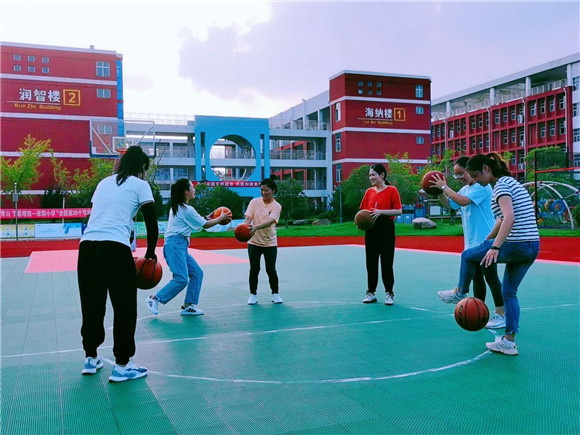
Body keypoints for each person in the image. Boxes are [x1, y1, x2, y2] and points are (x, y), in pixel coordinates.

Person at [437, 153, 540, 355]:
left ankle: (460, 292)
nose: (475, 180)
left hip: (516, 243)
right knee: (509, 292)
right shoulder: (511, 182)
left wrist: (495, 247)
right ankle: (509, 342)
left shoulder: (500, 186)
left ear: (486, 169)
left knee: (468, 256)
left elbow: (509, 218)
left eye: (476, 175)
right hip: (531, 245)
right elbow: (501, 219)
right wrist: (488, 241)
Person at [78, 146, 159, 382]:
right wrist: (151, 253)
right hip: (115, 249)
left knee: (92, 306)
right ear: (142, 167)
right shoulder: (140, 184)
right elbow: (151, 223)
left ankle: (91, 357)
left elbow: (100, 214)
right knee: (124, 308)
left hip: (87, 248)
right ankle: (122, 365)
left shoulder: (104, 183)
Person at [430, 157, 505, 329]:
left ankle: (500, 314)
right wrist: (439, 191)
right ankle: (479, 311)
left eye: (461, 173)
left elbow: (462, 201)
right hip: (472, 242)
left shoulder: (481, 187)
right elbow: (450, 205)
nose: (459, 178)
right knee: (478, 278)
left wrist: (444, 187)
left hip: (486, 240)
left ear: (469, 170)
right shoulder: (465, 189)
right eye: (456, 175)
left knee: (491, 277)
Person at [146, 179, 229, 316]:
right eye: (192, 187)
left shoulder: (179, 207)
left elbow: (200, 220)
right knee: (181, 279)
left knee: (197, 273)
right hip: (175, 245)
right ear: (186, 191)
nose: (194, 189)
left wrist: (207, 217)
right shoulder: (186, 209)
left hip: (179, 246)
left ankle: (189, 305)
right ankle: (155, 298)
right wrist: (222, 217)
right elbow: (206, 225)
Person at [360, 164, 402, 305]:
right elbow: (363, 213)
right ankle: (371, 293)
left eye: (373, 175)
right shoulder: (369, 192)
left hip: (386, 228)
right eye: (370, 175)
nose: (371, 177)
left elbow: (399, 211)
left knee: (386, 262)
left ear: (382, 175)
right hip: (371, 229)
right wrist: (360, 223)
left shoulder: (392, 190)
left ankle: (389, 293)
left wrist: (381, 212)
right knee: (371, 262)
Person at [243, 178, 282, 305]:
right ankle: (252, 295)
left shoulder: (276, 206)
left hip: (270, 242)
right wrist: (243, 228)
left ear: (273, 191)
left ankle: (275, 294)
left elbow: (270, 221)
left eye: (266, 190)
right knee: (254, 269)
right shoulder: (254, 202)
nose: (263, 192)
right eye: (261, 190)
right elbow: (248, 219)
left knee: (271, 269)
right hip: (253, 242)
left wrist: (256, 227)